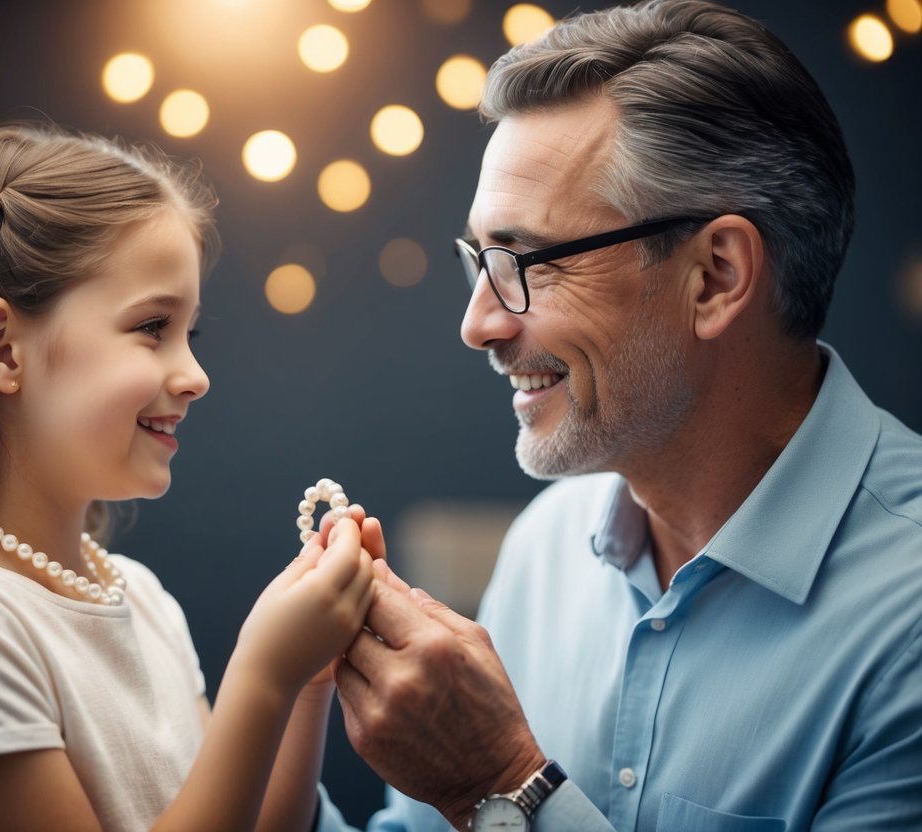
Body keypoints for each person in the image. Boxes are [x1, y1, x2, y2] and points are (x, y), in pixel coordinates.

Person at [311, 1, 922, 830]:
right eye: (478, 263)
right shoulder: (546, 546)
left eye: (524, 262)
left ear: (713, 275)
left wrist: (499, 780)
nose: (478, 324)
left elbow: (483, 800)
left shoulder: (905, 621)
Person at [0, 123, 384, 832]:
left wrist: (306, 683)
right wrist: (262, 676)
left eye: (188, 334)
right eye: (150, 327)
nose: (195, 377)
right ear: (1, 347)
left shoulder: (137, 595)